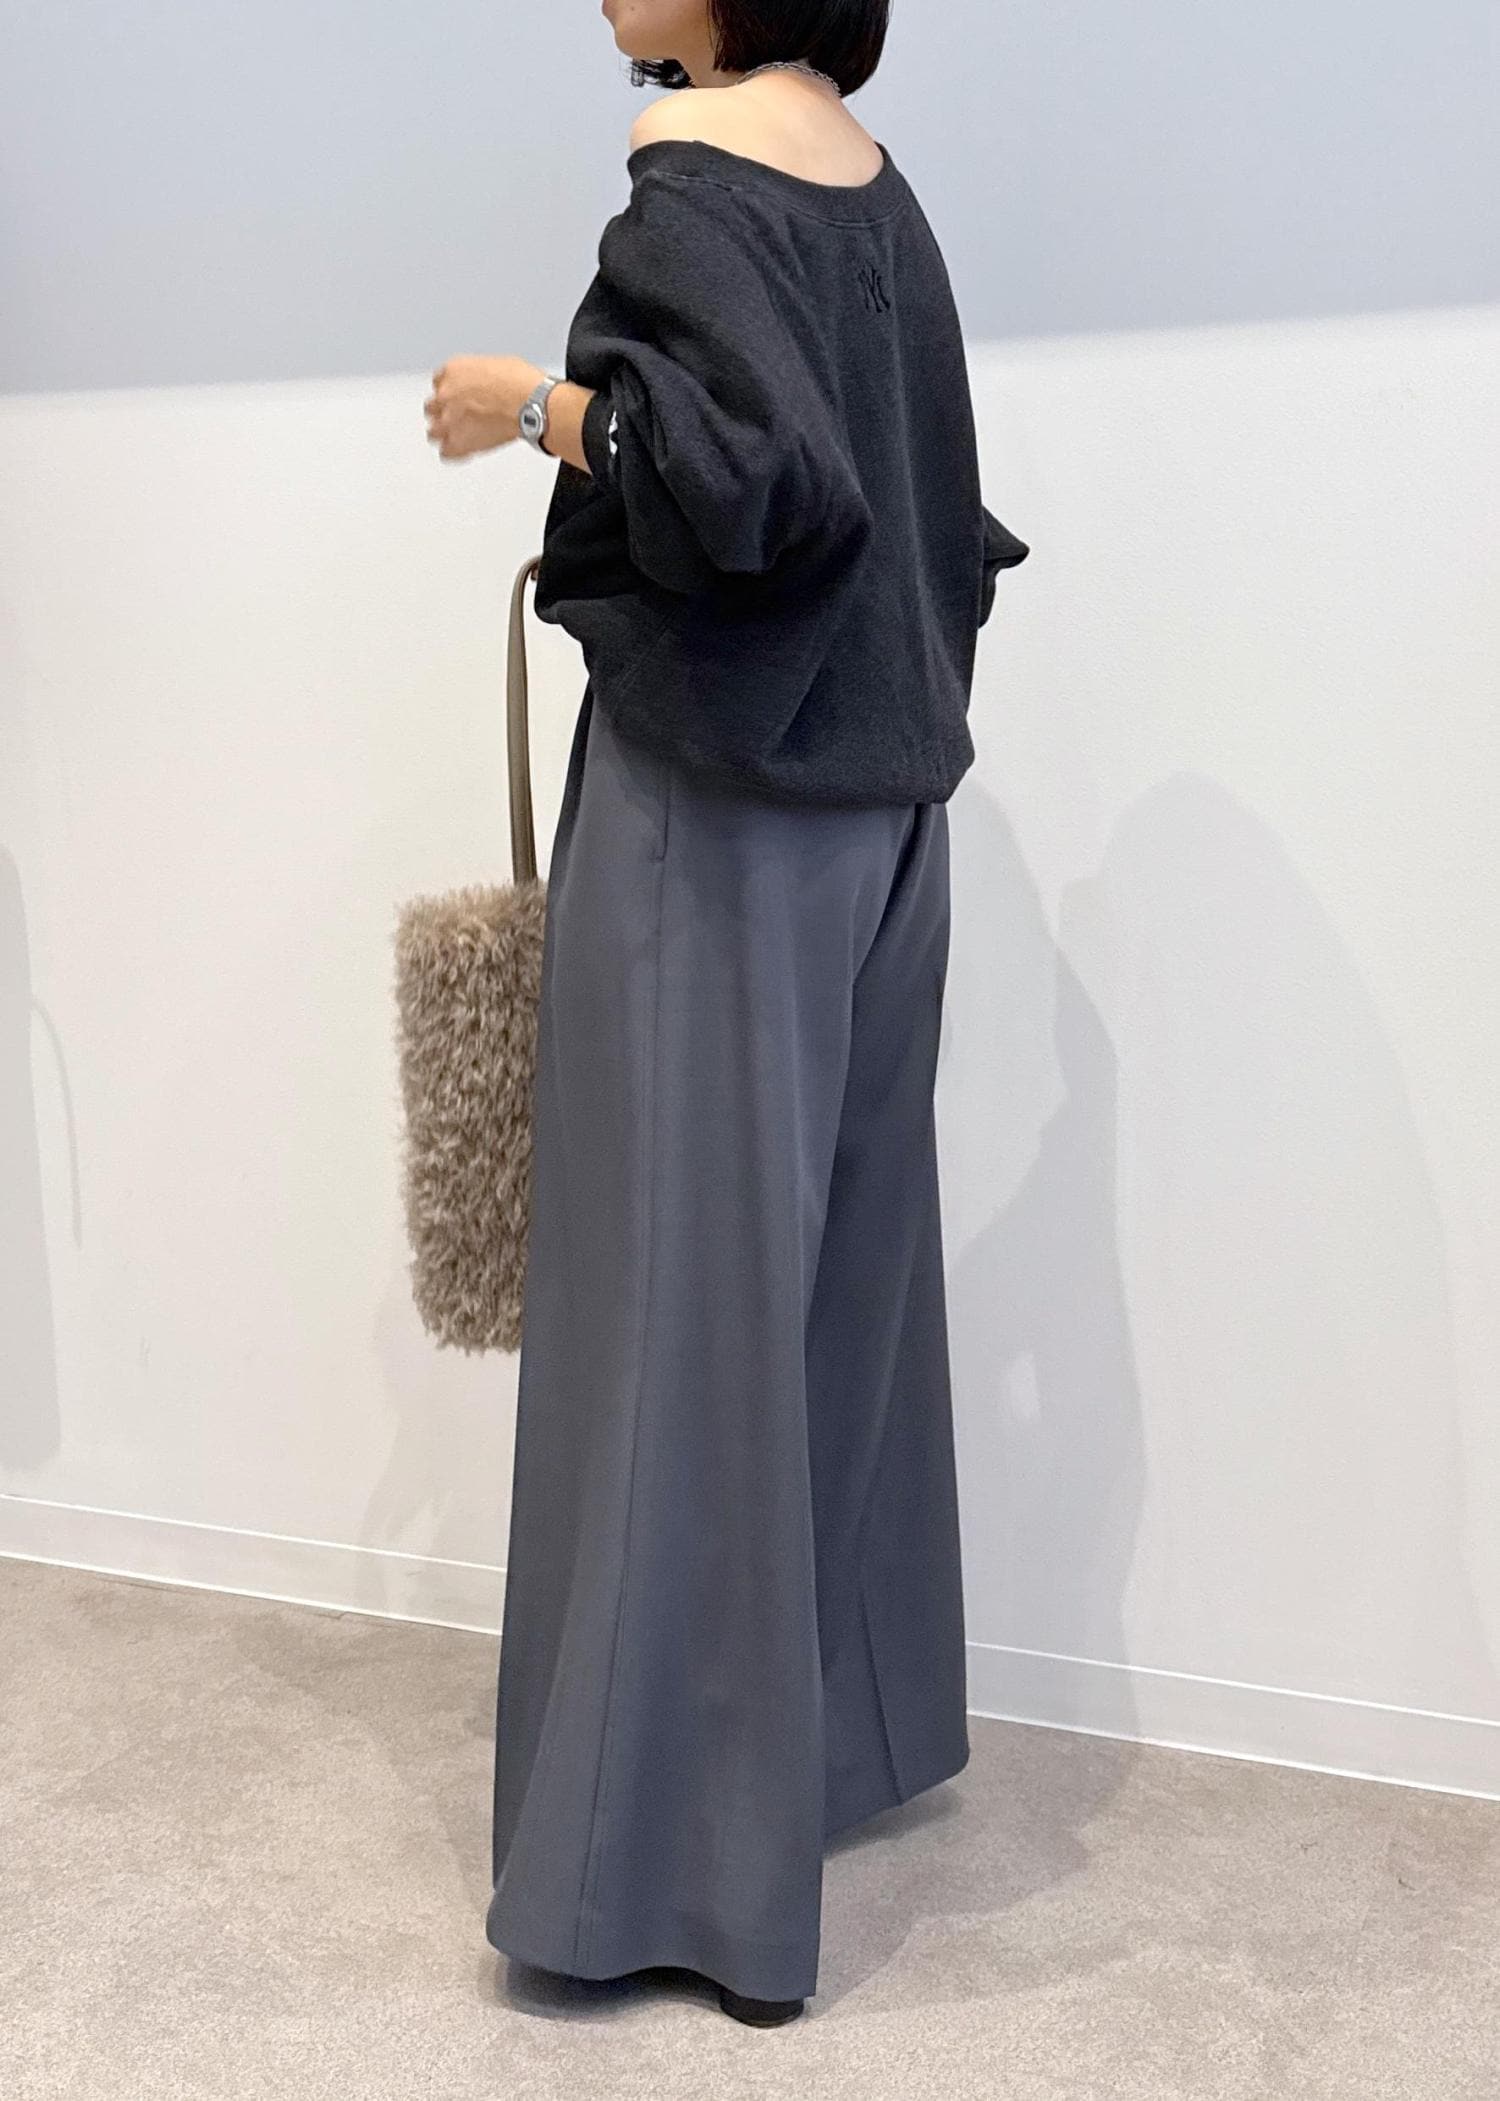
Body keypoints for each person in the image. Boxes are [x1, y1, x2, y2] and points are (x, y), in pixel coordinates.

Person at [423, 0, 1029, 2031]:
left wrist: (537, 408)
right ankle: (829, 1757)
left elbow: (753, 481)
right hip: (886, 809)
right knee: (837, 1300)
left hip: (723, 806)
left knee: (668, 1321)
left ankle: (664, 1881)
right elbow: (934, 512)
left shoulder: (690, 175)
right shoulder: (870, 177)